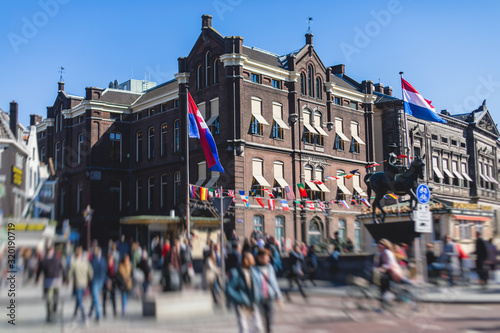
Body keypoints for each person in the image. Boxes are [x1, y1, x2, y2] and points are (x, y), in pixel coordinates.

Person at [226, 251, 264, 333]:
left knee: (258, 327)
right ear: (246, 260)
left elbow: (258, 286)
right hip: (242, 305)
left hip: (253, 303)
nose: (253, 261)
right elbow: (229, 289)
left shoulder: (254, 271)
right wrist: (240, 298)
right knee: (244, 329)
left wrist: (259, 296)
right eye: (251, 259)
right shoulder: (236, 272)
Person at [35, 243, 67, 323]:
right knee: (50, 298)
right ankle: (51, 313)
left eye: (50, 251)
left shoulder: (52, 260)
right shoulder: (46, 260)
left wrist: (64, 278)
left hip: (53, 281)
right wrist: (37, 279)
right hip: (51, 281)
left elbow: (62, 269)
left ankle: (52, 313)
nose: (50, 252)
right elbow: (39, 270)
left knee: (52, 298)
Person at [255, 248, 282, 333]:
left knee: (269, 321)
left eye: (268, 257)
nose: (268, 259)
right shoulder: (253, 269)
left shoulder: (270, 268)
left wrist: (278, 297)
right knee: (258, 323)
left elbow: (274, 283)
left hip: (269, 297)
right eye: (265, 257)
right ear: (259, 257)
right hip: (258, 298)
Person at [68, 246, 93, 324]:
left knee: (79, 300)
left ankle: (84, 316)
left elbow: (69, 274)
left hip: (78, 284)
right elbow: (91, 272)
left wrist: (67, 280)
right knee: (78, 300)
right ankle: (75, 315)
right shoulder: (85, 262)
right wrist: (89, 279)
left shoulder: (74, 263)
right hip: (84, 284)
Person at [376, 239, 403, 306]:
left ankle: (389, 297)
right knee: (382, 284)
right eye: (378, 245)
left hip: (393, 272)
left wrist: (383, 268)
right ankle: (385, 301)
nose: (379, 246)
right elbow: (377, 264)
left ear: (385, 246)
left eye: (381, 245)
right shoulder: (380, 254)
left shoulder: (387, 252)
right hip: (387, 272)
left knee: (384, 281)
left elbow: (390, 263)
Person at [89, 246, 107, 322]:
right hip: (97, 280)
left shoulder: (97, 260)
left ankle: (96, 314)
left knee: (95, 297)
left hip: (98, 280)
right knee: (95, 297)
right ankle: (95, 314)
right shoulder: (98, 260)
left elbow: (104, 271)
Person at [103, 253, 117, 318]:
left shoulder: (114, 267)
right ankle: (104, 311)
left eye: (111, 260)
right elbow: (104, 275)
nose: (110, 262)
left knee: (113, 297)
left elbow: (116, 276)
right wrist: (107, 281)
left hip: (113, 283)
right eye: (109, 260)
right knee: (104, 298)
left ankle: (114, 311)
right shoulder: (105, 267)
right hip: (106, 283)